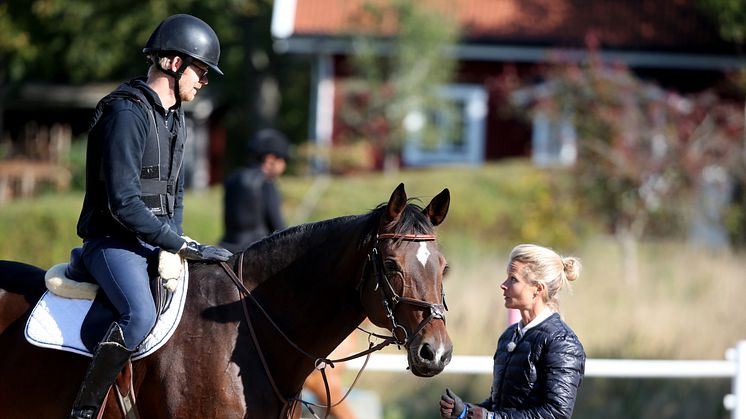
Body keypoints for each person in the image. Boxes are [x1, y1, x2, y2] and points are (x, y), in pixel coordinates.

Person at [69, 14, 232, 419]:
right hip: (112, 242)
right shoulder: (126, 114)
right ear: (174, 64)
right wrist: (178, 244)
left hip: (152, 242)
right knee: (139, 314)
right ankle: (85, 408)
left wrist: (171, 246)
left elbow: (173, 196)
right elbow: (122, 203)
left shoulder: (175, 119)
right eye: (201, 71)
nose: (204, 81)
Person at [440, 244, 586, 419]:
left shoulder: (562, 343)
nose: (503, 285)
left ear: (538, 289)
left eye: (513, 279)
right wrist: (463, 411)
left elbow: (557, 414)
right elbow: (500, 406)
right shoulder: (509, 336)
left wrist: (491, 418)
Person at [220, 128, 289, 252]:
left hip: (228, 248)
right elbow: (277, 225)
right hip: (256, 252)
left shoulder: (233, 178)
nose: (284, 165)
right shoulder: (266, 183)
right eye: (283, 159)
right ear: (270, 159)